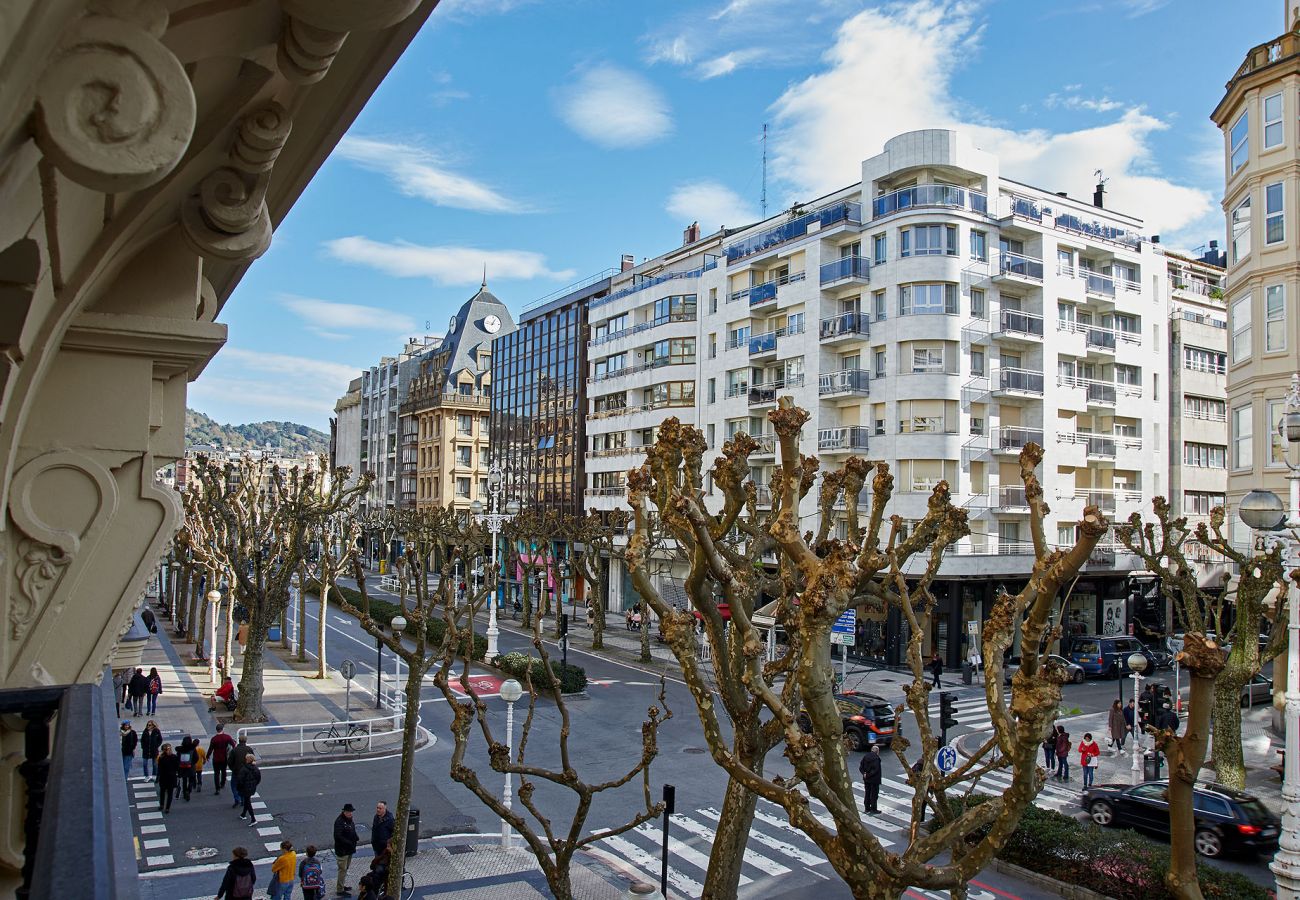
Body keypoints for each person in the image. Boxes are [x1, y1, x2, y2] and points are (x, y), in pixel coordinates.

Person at [334, 802, 359, 897]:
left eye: (351, 812)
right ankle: (340, 890)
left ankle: (342, 885)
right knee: (342, 869)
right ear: (344, 812)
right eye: (349, 812)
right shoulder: (339, 821)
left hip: (349, 850)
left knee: (345, 869)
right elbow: (338, 836)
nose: (351, 814)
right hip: (343, 850)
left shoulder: (349, 820)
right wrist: (349, 842)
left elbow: (352, 830)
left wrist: (356, 837)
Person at [208, 724, 236, 795]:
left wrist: (207, 756)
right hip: (224, 757)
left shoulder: (214, 739)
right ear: (222, 729)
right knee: (223, 771)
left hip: (216, 758)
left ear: (216, 730)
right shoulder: (227, 737)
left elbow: (210, 749)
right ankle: (223, 783)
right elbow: (233, 745)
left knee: (216, 773)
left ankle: (217, 788)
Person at [236, 751, 261, 825]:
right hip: (252, 787)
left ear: (248, 760)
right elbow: (258, 779)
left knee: (248, 802)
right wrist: (254, 784)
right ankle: (243, 814)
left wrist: (239, 787)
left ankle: (253, 819)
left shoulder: (244, 769)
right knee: (247, 800)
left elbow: (240, 780)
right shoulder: (256, 768)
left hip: (245, 788)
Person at [229, 734, 253, 808]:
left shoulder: (234, 750)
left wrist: (232, 768)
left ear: (239, 741)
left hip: (236, 771)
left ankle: (237, 799)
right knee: (244, 786)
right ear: (245, 741)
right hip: (246, 772)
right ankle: (243, 800)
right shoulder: (249, 749)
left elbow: (230, 761)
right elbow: (252, 759)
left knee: (234, 785)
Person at [859, 745, 883, 814]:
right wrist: (869, 775)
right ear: (877, 751)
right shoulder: (876, 758)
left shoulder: (865, 756)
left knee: (867, 793)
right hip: (874, 780)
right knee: (874, 794)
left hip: (866, 779)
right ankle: (873, 808)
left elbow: (861, 767)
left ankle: (867, 808)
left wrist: (864, 773)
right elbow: (875, 770)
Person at [155, 743, 179, 813]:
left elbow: (159, 769)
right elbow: (177, 767)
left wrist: (158, 777)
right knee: (170, 793)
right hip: (172, 777)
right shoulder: (174, 757)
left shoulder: (161, 758)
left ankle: (162, 804)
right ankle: (167, 808)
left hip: (163, 777)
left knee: (162, 792)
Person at [177, 736, 196, 800]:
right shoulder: (192, 749)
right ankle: (189, 790)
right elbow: (196, 757)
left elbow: (178, 759)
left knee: (184, 780)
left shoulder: (180, 749)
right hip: (191, 767)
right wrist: (193, 763)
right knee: (191, 780)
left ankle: (185, 792)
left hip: (182, 767)